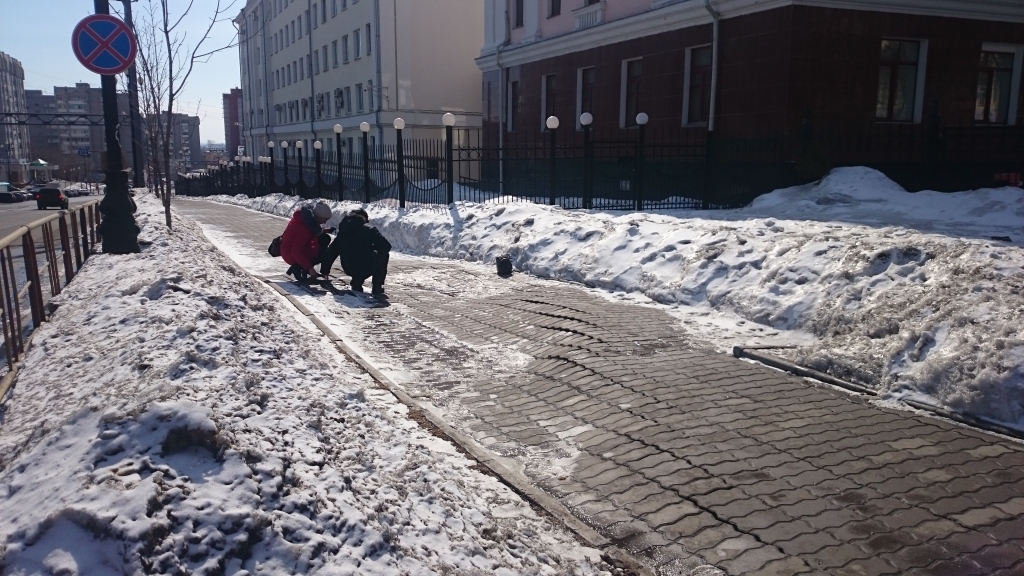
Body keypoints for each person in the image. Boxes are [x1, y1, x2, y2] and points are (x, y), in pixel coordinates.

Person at [322, 208, 391, 295]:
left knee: (357, 261)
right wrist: (374, 247)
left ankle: (357, 281)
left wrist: (325, 270)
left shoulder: (342, 232)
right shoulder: (369, 230)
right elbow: (386, 247)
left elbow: (330, 253)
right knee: (384, 255)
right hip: (367, 266)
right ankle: (377, 286)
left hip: (348, 268)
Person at [281, 202, 333, 281]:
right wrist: (310, 269)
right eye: (324, 219)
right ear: (318, 216)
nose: (325, 222)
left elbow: (312, 231)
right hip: (290, 255)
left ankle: (303, 267)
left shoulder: (306, 220)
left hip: (290, 250)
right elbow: (296, 252)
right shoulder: (303, 228)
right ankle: (299, 267)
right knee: (323, 253)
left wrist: (325, 231)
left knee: (324, 239)